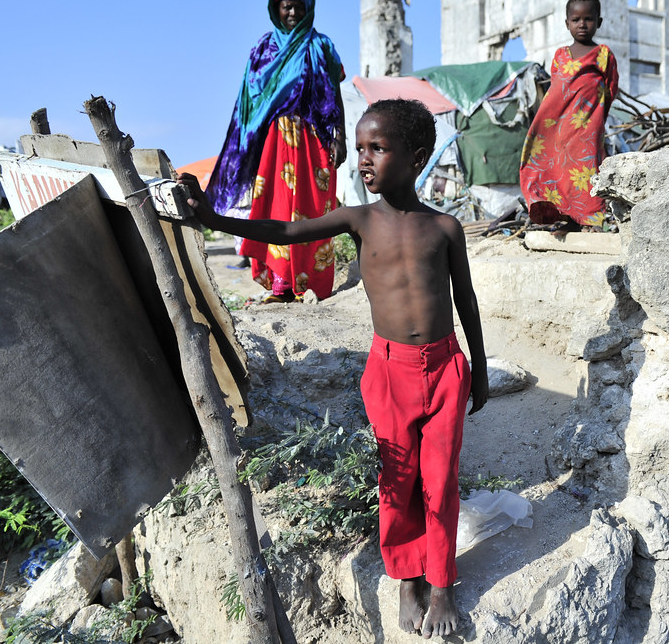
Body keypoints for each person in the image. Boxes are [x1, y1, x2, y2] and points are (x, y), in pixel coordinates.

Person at [182, 99, 488, 639]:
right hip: (388, 371)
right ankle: (405, 579)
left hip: (444, 369)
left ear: (417, 158)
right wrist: (212, 219)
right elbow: (284, 230)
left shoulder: (444, 228)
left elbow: (465, 301)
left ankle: (441, 583)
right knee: (398, 478)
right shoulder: (358, 220)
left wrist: (479, 370)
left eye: (378, 148)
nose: (364, 160)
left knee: (440, 481)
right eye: (361, 148)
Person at [206, 0, 347, 302]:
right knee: (277, 209)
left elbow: (335, 94)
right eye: (286, 7)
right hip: (275, 140)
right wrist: (247, 146)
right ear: (275, 9)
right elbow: (249, 99)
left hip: (315, 138)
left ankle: (311, 284)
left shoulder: (321, 45)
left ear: (308, 7)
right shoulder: (263, 48)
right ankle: (282, 283)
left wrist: (339, 135)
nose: (292, 13)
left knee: (315, 209)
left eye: (298, 6)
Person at [519, 0, 619, 231]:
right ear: (567, 24)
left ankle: (591, 218)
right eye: (576, 20)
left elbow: (611, 88)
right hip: (559, 127)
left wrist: (595, 118)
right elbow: (556, 92)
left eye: (588, 19)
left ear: (599, 22)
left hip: (588, 127)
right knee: (559, 169)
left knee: (587, 170)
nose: (582, 24)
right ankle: (564, 216)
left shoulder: (604, 55)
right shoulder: (560, 56)